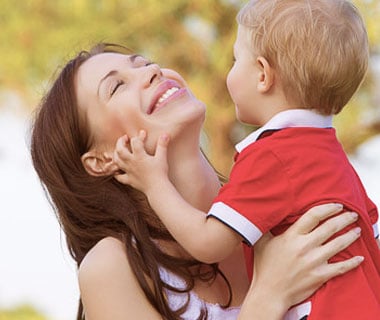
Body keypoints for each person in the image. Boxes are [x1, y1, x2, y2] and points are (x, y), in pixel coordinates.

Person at [30, 43, 364, 320]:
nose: (152, 71)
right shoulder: (112, 269)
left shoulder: (284, 209)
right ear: (101, 160)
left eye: (145, 63)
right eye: (117, 86)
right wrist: (269, 296)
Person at [113, 0, 380, 319]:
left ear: (263, 75)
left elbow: (208, 243)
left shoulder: (272, 155)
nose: (230, 70)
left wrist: (153, 183)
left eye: (236, 59)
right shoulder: (333, 158)